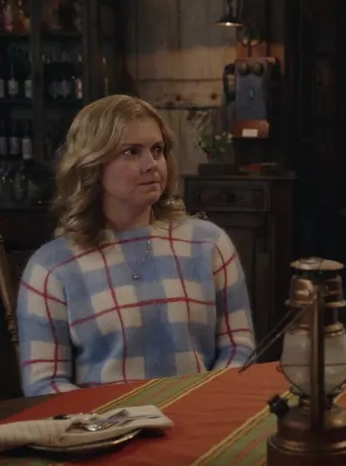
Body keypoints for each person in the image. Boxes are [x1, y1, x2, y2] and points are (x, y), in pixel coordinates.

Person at [17, 95, 255, 396]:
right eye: (132, 152)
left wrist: (202, 401)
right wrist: (110, 418)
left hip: (198, 413)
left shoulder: (209, 244)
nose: (151, 164)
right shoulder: (52, 268)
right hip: (102, 422)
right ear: (92, 164)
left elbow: (239, 347)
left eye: (157, 150)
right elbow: (44, 383)